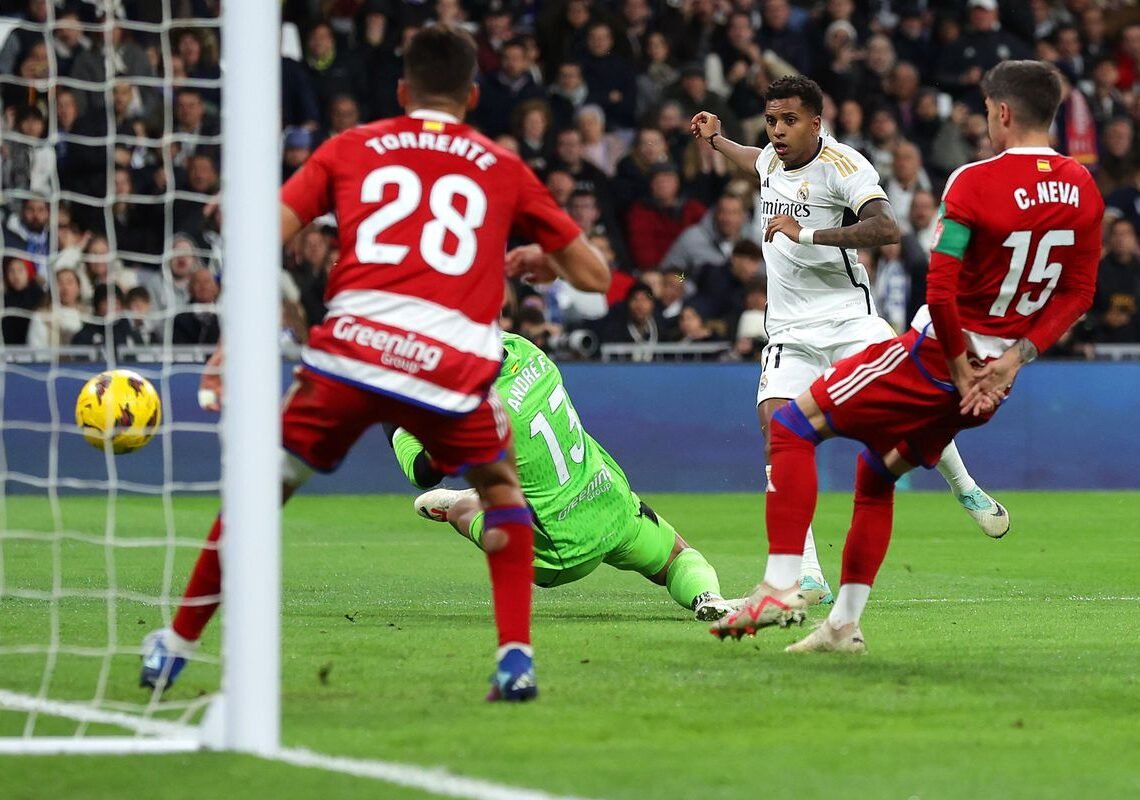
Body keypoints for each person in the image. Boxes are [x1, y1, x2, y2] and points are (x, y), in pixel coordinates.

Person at [140, 27, 610, 702]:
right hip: (450, 363)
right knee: (502, 492)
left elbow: (259, 233)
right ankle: (515, 660)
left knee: (260, 489)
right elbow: (596, 277)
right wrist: (547, 258)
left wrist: (233, 340)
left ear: (401, 90)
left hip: (353, 350)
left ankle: (176, 646)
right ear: (474, 96)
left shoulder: (350, 147)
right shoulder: (501, 166)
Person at [709, 61, 1103, 651]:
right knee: (874, 471)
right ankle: (841, 623)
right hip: (994, 379)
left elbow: (939, 289)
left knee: (791, 428)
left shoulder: (972, 182)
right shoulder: (1084, 187)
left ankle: (782, 583)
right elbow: (1079, 293)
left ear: (1001, 113)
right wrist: (1016, 358)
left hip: (929, 354)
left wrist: (955, 361)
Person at [689, 75, 1009, 608]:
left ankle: (965, 487)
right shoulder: (771, 159)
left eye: (789, 120)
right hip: (789, 330)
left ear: (816, 122)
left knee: (909, 412)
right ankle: (807, 576)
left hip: (848, 320)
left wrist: (806, 233)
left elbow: (886, 228)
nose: (777, 131)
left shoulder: (844, 166)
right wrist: (718, 140)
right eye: (771, 120)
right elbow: (754, 161)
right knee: (777, 431)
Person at [393, 333, 740, 621]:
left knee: (463, 510)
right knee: (678, 555)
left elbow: (422, 473)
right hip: (611, 506)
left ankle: (469, 502)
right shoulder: (527, 351)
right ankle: (708, 597)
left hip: (560, 552)